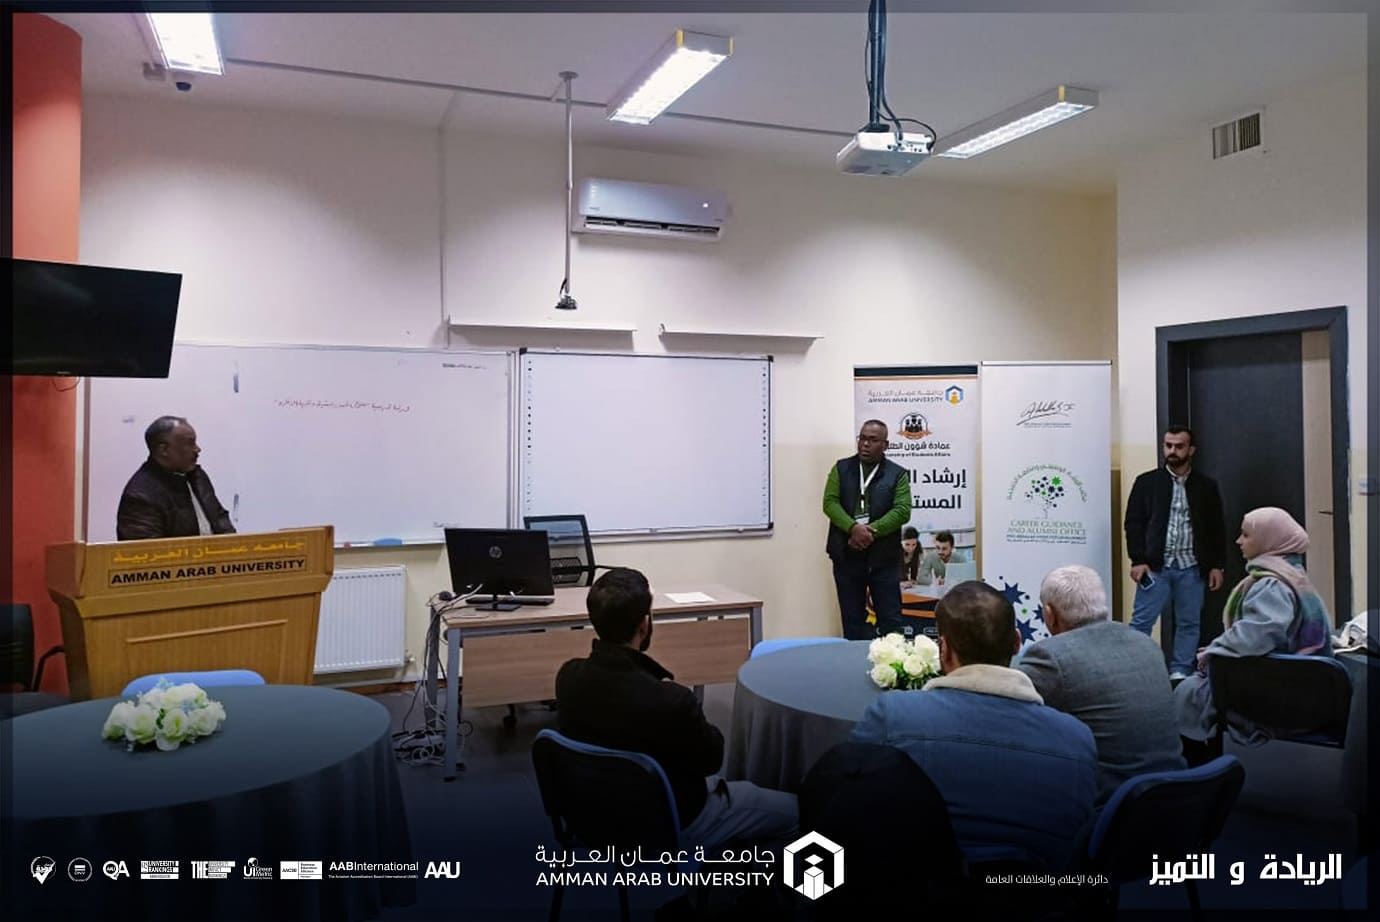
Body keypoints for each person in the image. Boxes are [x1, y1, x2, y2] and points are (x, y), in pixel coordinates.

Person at [851, 581, 1097, 871]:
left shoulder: (891, 717)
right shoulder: (1078, 741)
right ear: (1017, 643)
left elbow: (848, 802)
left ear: (943, 649)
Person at [555, 568, 798, 849]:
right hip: (671, 822)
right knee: (796, 812)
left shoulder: (568, 677)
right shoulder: (670, 700)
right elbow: (711, 760)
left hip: (592, 817)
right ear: (644, 625)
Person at [1016, 565, 1185, 805]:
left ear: (1050, 615)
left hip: (1110, 807)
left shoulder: (1050, 657)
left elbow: (1007, 716)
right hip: (1178, 796)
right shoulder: (1145, 644)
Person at [1175, 508, 1334, 749]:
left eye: (1246, 535)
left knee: (1187, 692)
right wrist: (1221, 648)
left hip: (1281, 691)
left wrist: (1214, 652)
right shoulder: (1294, 576)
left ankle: (1192, 763)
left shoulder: (1271, 584)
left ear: (1269, 539)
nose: (1238, 541)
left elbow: (1257, 634)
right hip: (1299, 688)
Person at [1124, 425, 1226, 679]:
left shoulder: (1206, 486)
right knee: (1141, 622)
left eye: (1179, 446)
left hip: (1192, 566)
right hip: (1155, 566)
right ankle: (1133, 670)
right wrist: (1137, 559)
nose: (1172, 451)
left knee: (1189, 623)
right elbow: (1133, 523)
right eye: (1168, 445)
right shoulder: (1147, 482)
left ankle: (1180, 672)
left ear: (1191, 450)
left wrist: (1217, 565)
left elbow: (1216, 527)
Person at [822, 420, 911, 639]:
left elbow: (902, 510)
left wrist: (870, 531)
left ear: (885, 444)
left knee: (891, 621)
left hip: (884, 559)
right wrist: (853, 528)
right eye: (862, 438)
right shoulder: (841, 468)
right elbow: (830, 503)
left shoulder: (897, 474)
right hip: (847, 555)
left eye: (872, 440)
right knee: (852, 621)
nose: (865, 444)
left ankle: (893, 659)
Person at [116, 416, 235, 540]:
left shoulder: (197, 476)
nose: (197, 449)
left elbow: (220, 518)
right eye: (190, 443)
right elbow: (148, 550)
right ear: (164, 450)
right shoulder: (140, 496)